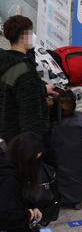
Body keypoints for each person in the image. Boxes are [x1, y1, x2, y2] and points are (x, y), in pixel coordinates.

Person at [0, 15, 58, 143]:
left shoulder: (5, 59)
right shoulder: (25, 70)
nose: (34, 36)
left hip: (6, 130)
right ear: (23, 37)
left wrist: (41, 89)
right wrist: (34, 149)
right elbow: (30, 115)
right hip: (22, 141)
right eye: (31, 32)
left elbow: (15, 91)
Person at [0, 132, 44, 232]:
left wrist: (32, 206)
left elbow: (17, 195)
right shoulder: (9, 180)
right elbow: (4, 215)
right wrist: (28, 214)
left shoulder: (6, 162)